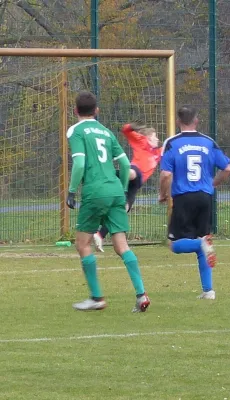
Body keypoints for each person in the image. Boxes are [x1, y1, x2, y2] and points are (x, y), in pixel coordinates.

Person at [66, 90, 150, 312]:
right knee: (121, 245)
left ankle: (96, 298)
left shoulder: (75, 131)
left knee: (82, 244)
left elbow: (80, 164)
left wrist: (72, 191)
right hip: (115, 190)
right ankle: (141, 295)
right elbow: (124, 165)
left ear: (75, 111)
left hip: (95, 192)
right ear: (97, 111)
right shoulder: (106, 132)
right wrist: (122, 189)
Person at [159, 105, 230, 300]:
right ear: (196, 120)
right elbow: (227, 168)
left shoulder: (172, 143)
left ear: (178, 121)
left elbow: (166, 174)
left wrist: (162, 194)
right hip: (205, 197)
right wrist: (213, 183)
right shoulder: (208, 142)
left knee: (174, 244)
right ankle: (208, 291)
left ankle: (200, 245)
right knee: (203, 239)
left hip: (183, 198)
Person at [93, 122, 161, 252]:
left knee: (122, 210)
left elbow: (172, 149)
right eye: (154, 136)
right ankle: (107, 173)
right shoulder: (141, 142)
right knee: (131, 173)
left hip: (135, 185)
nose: (157, 139)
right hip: (134, 173)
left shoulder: (157, 153)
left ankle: (99, 235)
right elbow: (125, 130)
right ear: (147, 137)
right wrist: (133, 127)